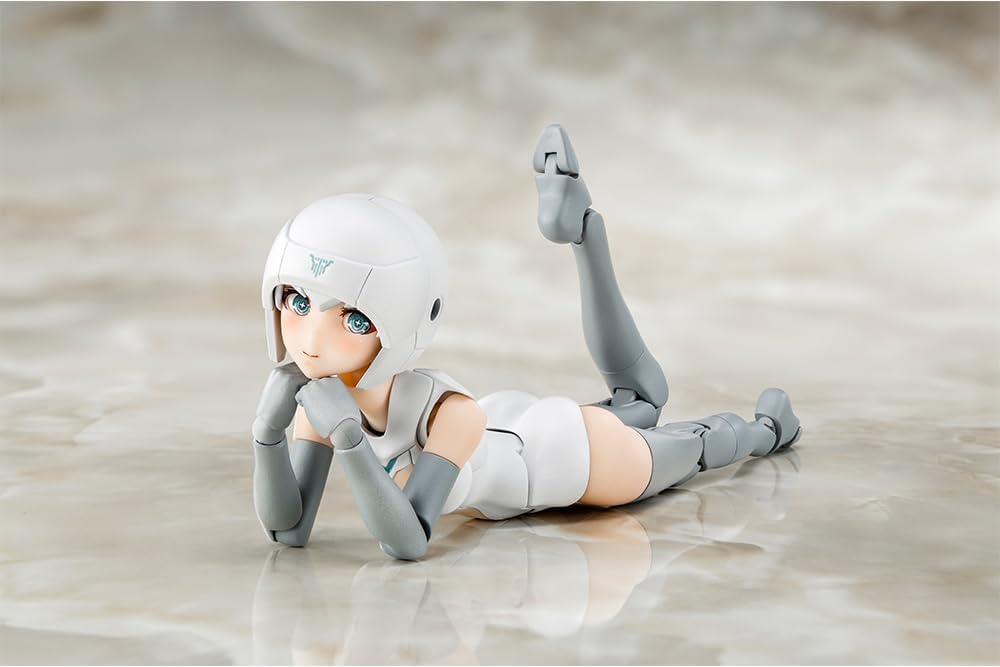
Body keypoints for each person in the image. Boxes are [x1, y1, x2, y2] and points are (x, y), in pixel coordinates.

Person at [250, 125, 802, 560]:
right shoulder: (324, 403)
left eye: (352, 319)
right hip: (522, 426)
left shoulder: (448, 414)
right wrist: (266, 435)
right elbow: (289, 531)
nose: (311, 340)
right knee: (639, 399)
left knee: (694, 444)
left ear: (400, 324)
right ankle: (583, 232)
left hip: (581, 464)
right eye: (297, 303)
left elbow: (408, 540)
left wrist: (349, 439)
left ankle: (768, 430)